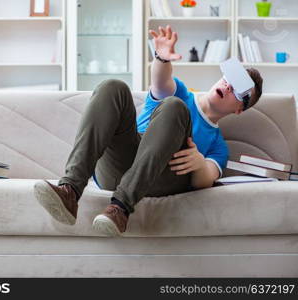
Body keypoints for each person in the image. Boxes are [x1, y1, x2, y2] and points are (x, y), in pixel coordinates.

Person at [33, 25, 263, 236]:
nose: (228, 86)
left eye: (238, 91)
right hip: (118, 165)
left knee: (174, 107)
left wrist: (199, 163)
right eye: (229, 78)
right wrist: (161, 57)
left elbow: (206, 178)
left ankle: (120, 209)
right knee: (112, 87)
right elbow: (162, 81)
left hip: (160, 178)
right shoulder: (181, 91)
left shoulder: (217, 145)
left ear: (239, 109)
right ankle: (69, 191)